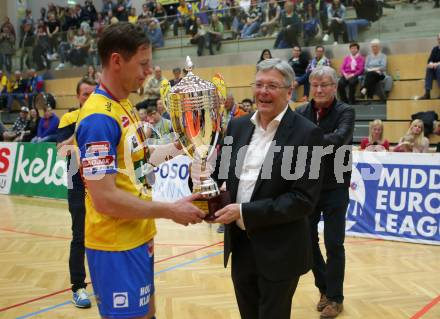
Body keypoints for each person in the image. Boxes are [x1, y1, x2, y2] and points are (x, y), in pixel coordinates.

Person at [74, 22, 204, 319]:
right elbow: (105, 199)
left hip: (138, 236)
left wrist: (181, 145)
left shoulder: (124, 106)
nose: (149, 71)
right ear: (117, 61)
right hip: (115, 247)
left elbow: (138, 163)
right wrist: (170, 210)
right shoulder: (98, 119)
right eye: (143, 63)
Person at [200, 58, 324, 319]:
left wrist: (244, 211)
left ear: (289, 91)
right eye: (258, 84)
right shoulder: (237, 126)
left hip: (280, 249)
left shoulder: (307, 134)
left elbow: (302, 200)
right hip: (241, 246)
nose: (263, 92)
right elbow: (220, 174)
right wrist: (200, 177)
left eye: (272, 85)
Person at [296, 66, 355, 319]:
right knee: (307, 242)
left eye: (325, 85)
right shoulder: (301, 112)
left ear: (334, 87)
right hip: (307, 186)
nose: (319, 89)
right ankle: (324, 289)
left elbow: (339, 139)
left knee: (334, 243)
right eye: (315, 84)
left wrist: (307, 141)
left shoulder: (346, 111)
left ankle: (336, 298)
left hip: (336, 186)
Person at [56, 78, 97, 308]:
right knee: (80, 235)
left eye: (93, 93)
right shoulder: (69, 118)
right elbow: (61, 152)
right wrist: (77, 133)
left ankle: (103, 281)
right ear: (77, 97)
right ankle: (78, 287)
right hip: (76, 180)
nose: (89, 98)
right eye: (85, 94)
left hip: (101, 180)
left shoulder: (102, 116)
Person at [418, 33, 440, 100]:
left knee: (439, 68)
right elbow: (430, 60)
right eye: (439, 39)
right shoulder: (435, 49)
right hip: (435, 71)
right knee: (429, 68)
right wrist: (431, 64)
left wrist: (438, 64)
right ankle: (427, 93)